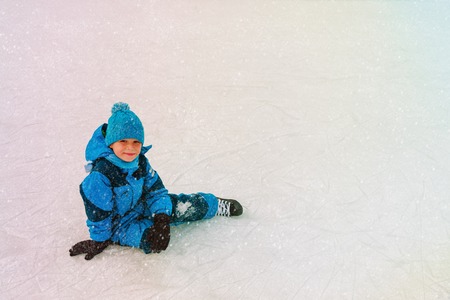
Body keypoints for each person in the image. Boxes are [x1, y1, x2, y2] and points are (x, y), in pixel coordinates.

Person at [69, 102, 242, 260]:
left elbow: (156, 191)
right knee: (151, 241)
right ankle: (146, 232)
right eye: (123, 141)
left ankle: (213, 204)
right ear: (111, 143)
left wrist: (161, 218)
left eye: (136, 142)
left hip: (141, 205)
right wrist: (100, 239)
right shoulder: (101, 175)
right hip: (120, 224)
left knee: (180, 206)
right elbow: (98, 211)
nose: (130, 148)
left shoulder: (141, 162)